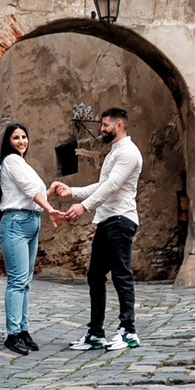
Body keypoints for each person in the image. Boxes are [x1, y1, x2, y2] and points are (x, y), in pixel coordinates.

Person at [51, 106, 142, 350]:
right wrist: (74, 192)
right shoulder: (115, 152)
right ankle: (96, 333)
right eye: (102, 125)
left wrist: (84, 207)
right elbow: (102, 184)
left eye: (105, 125)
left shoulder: (129, 152)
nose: (101, 129)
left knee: (121, 274)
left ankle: (128, 331)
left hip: (120, 219)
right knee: (95, 276)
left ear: (119, 125)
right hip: (106, 220)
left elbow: (112, 186)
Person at [0, 121, 65, 353]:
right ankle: (13, 334)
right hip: (16, 223)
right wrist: (50, 209)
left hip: (30, 222)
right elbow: (29, 191)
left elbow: (35, 192)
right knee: (16, 281)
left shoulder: (22, 163)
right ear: (8, 142)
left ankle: (23, 330)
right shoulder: (11, 160)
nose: (22, 141)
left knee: (25, 282)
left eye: (24, 137)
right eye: (16, 138)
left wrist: (50, 191)